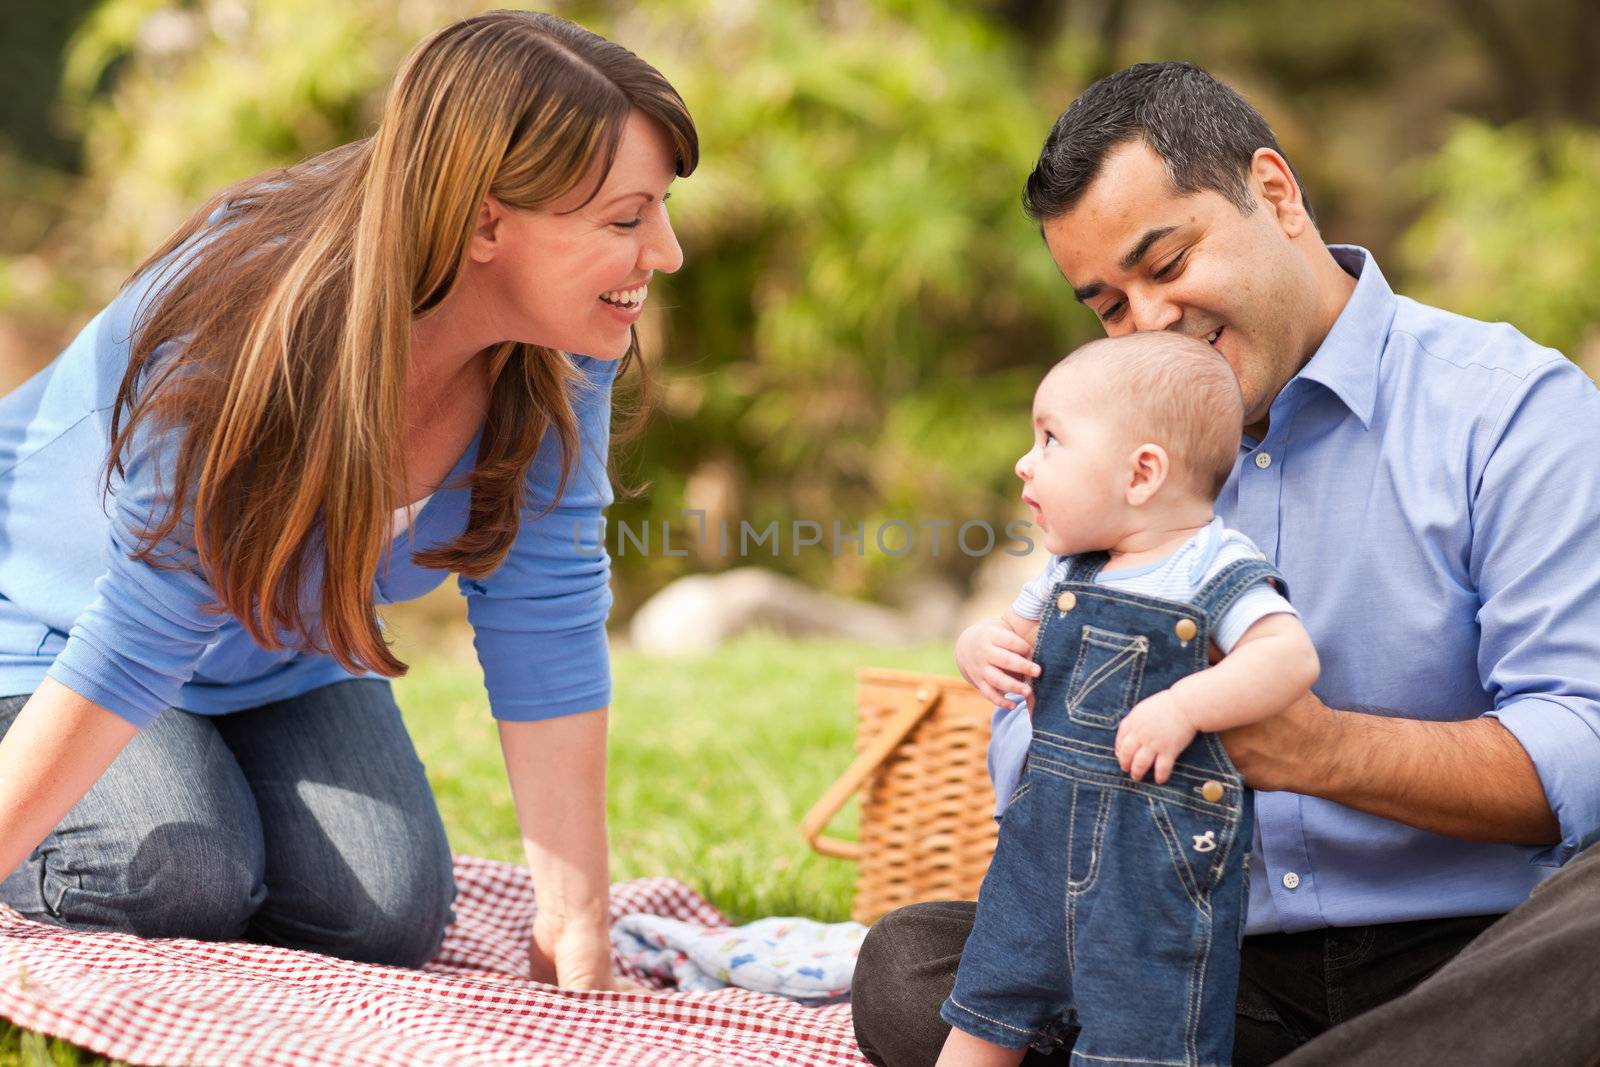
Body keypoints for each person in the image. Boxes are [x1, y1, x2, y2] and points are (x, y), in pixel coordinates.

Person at [852, 61, 1600, 1066]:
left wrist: (1319, 748)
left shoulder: (1511, 411)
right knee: (912, 966)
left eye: (1165, 263)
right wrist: (1053, 707)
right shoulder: (1121, 451)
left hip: (1469, 955)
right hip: (1197, 958)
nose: (1148, 321)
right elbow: (1029, 758)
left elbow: (1581, 744)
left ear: (1275, 193)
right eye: (1107, 305)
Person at [0, 10, 695, 989]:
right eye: (625, 219)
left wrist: (575, 922)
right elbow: (139, 633)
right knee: (167, 879)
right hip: (44, 625)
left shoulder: (567, 340)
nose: (663, 252)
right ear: (485, 218)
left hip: (281, 653)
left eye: (659, 209)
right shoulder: (241, 324)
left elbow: (544, 606)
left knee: (381, 910)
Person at [937, 333, 1318, 1067]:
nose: (1025, 460)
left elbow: (1288, 656)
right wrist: (976, 646)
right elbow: (1008, 634)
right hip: (1040, 841)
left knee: (1141, 1020)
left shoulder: (1216, 563)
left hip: (1152, 859)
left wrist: (1187, 706)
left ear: (1143, 472)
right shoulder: (1067, 570)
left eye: (1050, 439)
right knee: (990, 990)